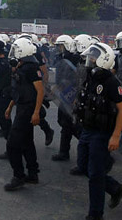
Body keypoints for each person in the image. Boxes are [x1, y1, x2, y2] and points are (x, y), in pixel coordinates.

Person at [74, 42, 122, 220]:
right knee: (83, 166)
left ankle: (95, 214)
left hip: (102, 133)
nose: (90, 60)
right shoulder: (91, 77)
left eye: (94, 57)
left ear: (104, 60)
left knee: (95, 175)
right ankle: (114, 188)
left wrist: (116, 135)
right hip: (87, 130)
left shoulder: (112, 83)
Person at [3, 37, 44, 191]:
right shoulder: (23, 67)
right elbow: (20, 90)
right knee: (27, 142)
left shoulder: (32, 68)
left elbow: (40, 91)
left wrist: (36, 112)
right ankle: (33, 173)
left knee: (12, 144)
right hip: (22, 107)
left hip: (28, 109)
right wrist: (10, 106)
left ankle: (18, 176)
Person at [51, 34, 81, 162]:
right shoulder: (62, 58)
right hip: (63, 93)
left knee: (68, 123)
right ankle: (64, 152)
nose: (59, 49)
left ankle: (68, 150)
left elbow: (77, 78)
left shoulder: (75, 59)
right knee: (63, 121)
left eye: (61, 46)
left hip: (71, 94)